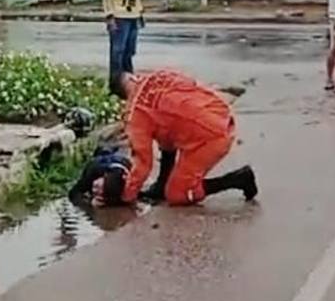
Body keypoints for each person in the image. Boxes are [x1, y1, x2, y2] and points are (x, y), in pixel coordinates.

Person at [91, 70, 258, 207]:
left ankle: (238, 179)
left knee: (177, 194)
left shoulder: (136, 113)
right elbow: (192, 87)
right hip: (220, 113)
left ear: (122, 97)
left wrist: (127, 196)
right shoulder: (160, 75)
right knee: (165, 131)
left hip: (210, 139)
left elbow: (143, 162)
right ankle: (162, 184)